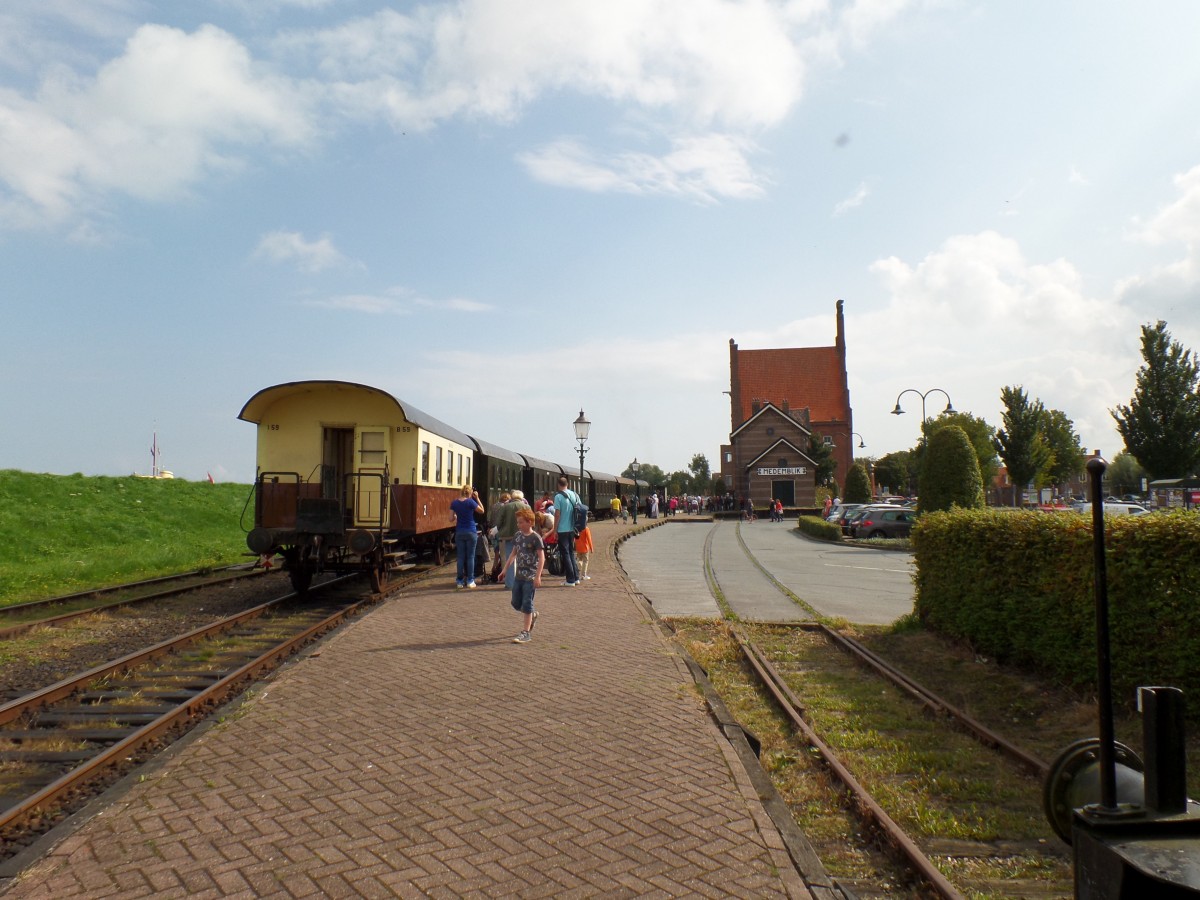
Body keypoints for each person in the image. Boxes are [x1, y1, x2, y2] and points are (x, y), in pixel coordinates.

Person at [501, 507, 544, 643]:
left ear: (530, 522)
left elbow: (542, 558)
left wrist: (538, 576)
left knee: (526, 603)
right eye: (518, 522)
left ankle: (526, 633)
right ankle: (532, 614)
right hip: (518, 575)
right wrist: (504, 570)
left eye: (521, 522)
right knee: (515, 602)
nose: (519, 525)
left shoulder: (535, 538)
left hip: (530, 577)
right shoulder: (518, 536)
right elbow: (513, 553)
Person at [449, 485, 485, 588]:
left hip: (459, 532)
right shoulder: (470, 502)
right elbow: (482, 511)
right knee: (470, 557)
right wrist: (477, 498)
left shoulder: (454, 503)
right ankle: (470, 580)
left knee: (460, 557)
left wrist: (456, 516)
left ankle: (459, 581)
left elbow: (450, 518)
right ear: (470, 493)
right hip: (471, 531)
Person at [494, 489, 529, 591]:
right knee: (522, 559)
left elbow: (499, 522)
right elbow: (531, 521)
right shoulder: (526, 507)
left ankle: (510, 584)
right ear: (521, 498)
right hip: (523, 536)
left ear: (512, 497)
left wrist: (500, 530)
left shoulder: (505, 507)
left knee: (510, 559)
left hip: (508, 536)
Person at [553, 476, 582, 586]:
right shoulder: (574, 495)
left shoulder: (558, 497)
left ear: (558, 485)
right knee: (571, 553)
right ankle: (576, 578)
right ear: (567, 484)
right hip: (572, 528)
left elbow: (557, 514)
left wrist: (555, 530)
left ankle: (570, 580)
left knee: (565, 554)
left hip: (562, 529)